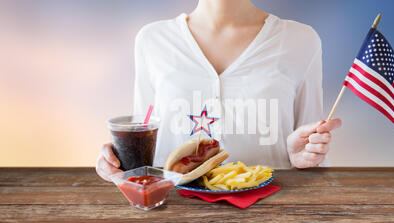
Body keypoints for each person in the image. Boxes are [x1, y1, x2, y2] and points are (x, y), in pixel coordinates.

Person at [96, 0, 342, 182]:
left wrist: (304, 158)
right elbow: (145, 134)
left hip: (269, 214)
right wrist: (120, 161)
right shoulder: (152, 40)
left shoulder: (300, 40)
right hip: (175, 215)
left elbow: (313, 149)